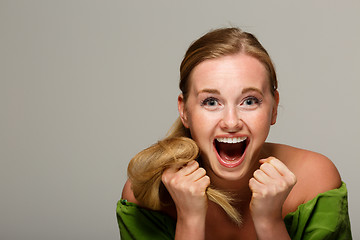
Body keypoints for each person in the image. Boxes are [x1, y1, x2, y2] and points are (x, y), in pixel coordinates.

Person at [117, 27, 352, 239]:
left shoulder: (315, 181)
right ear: (184, 111)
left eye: (249, 101)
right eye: (211, 102)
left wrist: (270, 223)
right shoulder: (145, 195)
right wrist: (190, 222)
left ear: (274, 108)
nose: (231, 122)